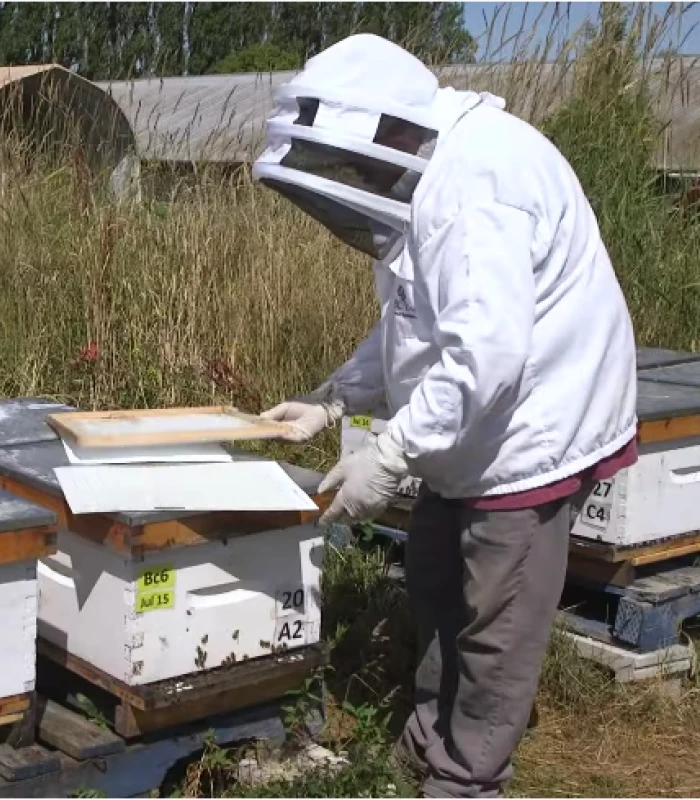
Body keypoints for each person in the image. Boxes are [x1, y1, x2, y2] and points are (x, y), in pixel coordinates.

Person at [255, 34, 637, 798]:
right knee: (433, 585)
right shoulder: (425, 176)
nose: (356, 179)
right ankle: (429, 742)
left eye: (355, 161)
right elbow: (414, 320)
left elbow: (485, 357)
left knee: (496, 622)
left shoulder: (477, 187)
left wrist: (390, 453)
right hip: (469, 423)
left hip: (532, 430)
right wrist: (336, 397)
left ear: (393, 129)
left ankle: (466, 779)